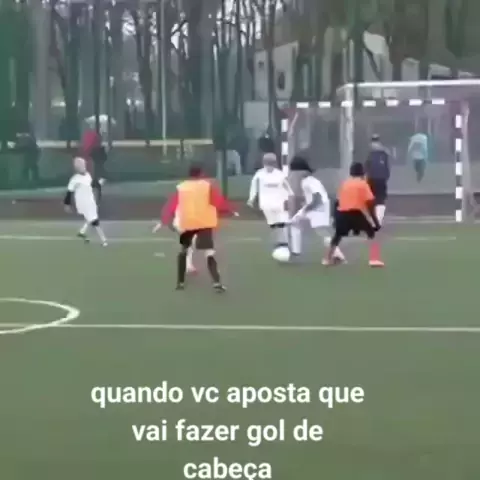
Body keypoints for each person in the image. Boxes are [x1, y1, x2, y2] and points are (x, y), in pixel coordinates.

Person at [159, 164, 238, 292]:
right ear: (201, 173)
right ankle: (216, 282)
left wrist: (164, 220)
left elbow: (172, 205)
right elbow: (217, 202)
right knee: (209, 253)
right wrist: (230, 210)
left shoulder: (182, 187)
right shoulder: (206, 186)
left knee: (184, 251)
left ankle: (180, 283)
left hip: (187, 223)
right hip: (204, 223)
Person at [324, 162, 383, 267]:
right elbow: (370, 204)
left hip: (341, 213)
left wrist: (335, 217)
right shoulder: (363, 184)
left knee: (337, 236)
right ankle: (374, 259)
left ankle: (327, 259)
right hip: (355, 213)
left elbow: (337, 202)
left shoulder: (345, 184)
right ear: (362, 172)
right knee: (372, 233)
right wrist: (376, 222)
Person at [288, 156, 345, 262]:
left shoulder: (310, 181)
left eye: (295, 171)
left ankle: (337, 254)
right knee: (295, 223)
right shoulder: (306, 181)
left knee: (321, 231)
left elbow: (317, 198)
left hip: (319, 207)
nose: (294, 174)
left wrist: (306, 209)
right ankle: (295, 252)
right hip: (314, 206)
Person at [247, 153, 292, 249]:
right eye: (267, 164)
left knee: (282, 222)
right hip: (266, 203)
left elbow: (286, 187)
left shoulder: (279, 174)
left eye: (271, 164)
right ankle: (278, 241)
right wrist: (251, 199)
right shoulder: (259, 174)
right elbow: (254, 187)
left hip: (279, 202)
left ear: (274, 164)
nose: (269, 167)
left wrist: (290, 197)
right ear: (264, 164)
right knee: (273, 223)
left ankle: (283, 242)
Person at [64, 157, 108, 246]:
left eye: (82, 165)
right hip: (83, 203)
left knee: (91, 217)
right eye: (79, 166)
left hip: (90, 200)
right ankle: (104, 240)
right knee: (94, 220)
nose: (82, 167)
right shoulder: (75, 179)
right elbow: (69, 192)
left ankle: (82, 232)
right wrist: (67, 204)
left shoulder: (88, 175)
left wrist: (99, 182)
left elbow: (91, 184)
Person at [364, 134, 390, 225]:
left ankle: (376, 218)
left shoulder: (371, 153)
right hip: (379, 178)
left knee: (377, 199)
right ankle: (376, 218)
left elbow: (366, 166)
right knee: (378, 199)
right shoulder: (384, 153)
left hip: (375, 178)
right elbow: (387, 167)